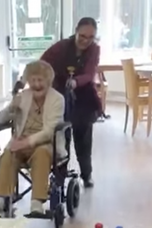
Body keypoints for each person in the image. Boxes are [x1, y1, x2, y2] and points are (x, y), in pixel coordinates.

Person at [0, 61, 65, 218]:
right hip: (21, 141)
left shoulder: (57, 99)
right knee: (7, 155)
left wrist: (24, 143)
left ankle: (36, 203)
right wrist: (12, 107)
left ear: (48, 81)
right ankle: (0, 201)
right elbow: (1, 119)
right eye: (33, 80)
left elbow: (49, 131)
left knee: (41, 153)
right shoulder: (23, 96)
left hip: (46, 143)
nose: (36, 85)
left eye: (40, 80)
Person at [41, 17, 102, 188]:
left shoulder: (94, 50)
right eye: (82, 36)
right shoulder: (61, 46)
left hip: (84, 97)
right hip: (60, 94)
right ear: (76, 31)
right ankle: (60, 177)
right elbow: (42, 63)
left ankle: (86, 175)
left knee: (83, 138)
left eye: (91, 37)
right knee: (62, 137)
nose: (86, 41)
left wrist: (76, 82)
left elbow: (89, 74)